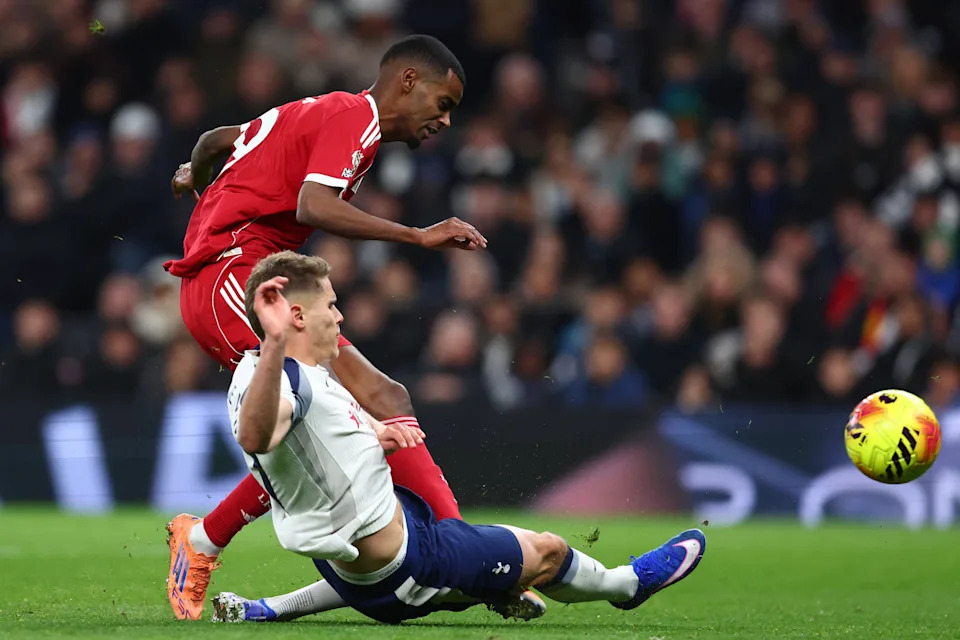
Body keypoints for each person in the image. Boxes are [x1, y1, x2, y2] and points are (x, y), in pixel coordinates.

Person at [164, 35, 487, 620]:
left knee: (385, 398)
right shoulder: (354, 119)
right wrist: (417, 236)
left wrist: (200, 180)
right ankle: (204, 539)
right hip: (231, 281)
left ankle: (461, 548)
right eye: (443, 104)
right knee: (324, 424)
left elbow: (215, 140)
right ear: (408, 81)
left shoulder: (324, 112)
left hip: (250, 277)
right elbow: (313, 206)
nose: (444, 120)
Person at [207, 250, 706, 625]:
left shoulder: (258, 372)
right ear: (296, 317)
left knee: (433, 565)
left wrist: (375, 432)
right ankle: (627, 585)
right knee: (548, 551)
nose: (339, 317)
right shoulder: (287, 378)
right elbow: (258, 434)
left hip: (356, 566)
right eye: (331, 305)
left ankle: (269, 608)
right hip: (413, 565)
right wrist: (278, 341)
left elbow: (307, 439)